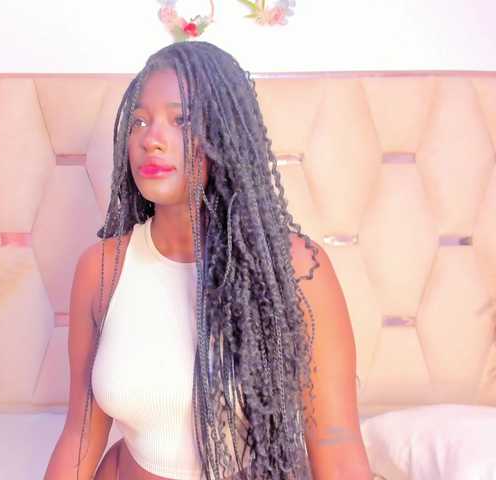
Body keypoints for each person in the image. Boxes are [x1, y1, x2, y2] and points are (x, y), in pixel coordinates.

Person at [44, 41, 372, 480]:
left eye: (181, 120)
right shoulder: (101, 269)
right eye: (139, 121)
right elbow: (80, 435)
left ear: (225, 136)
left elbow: (338, 445)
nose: (150, 139)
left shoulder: (295, 270)